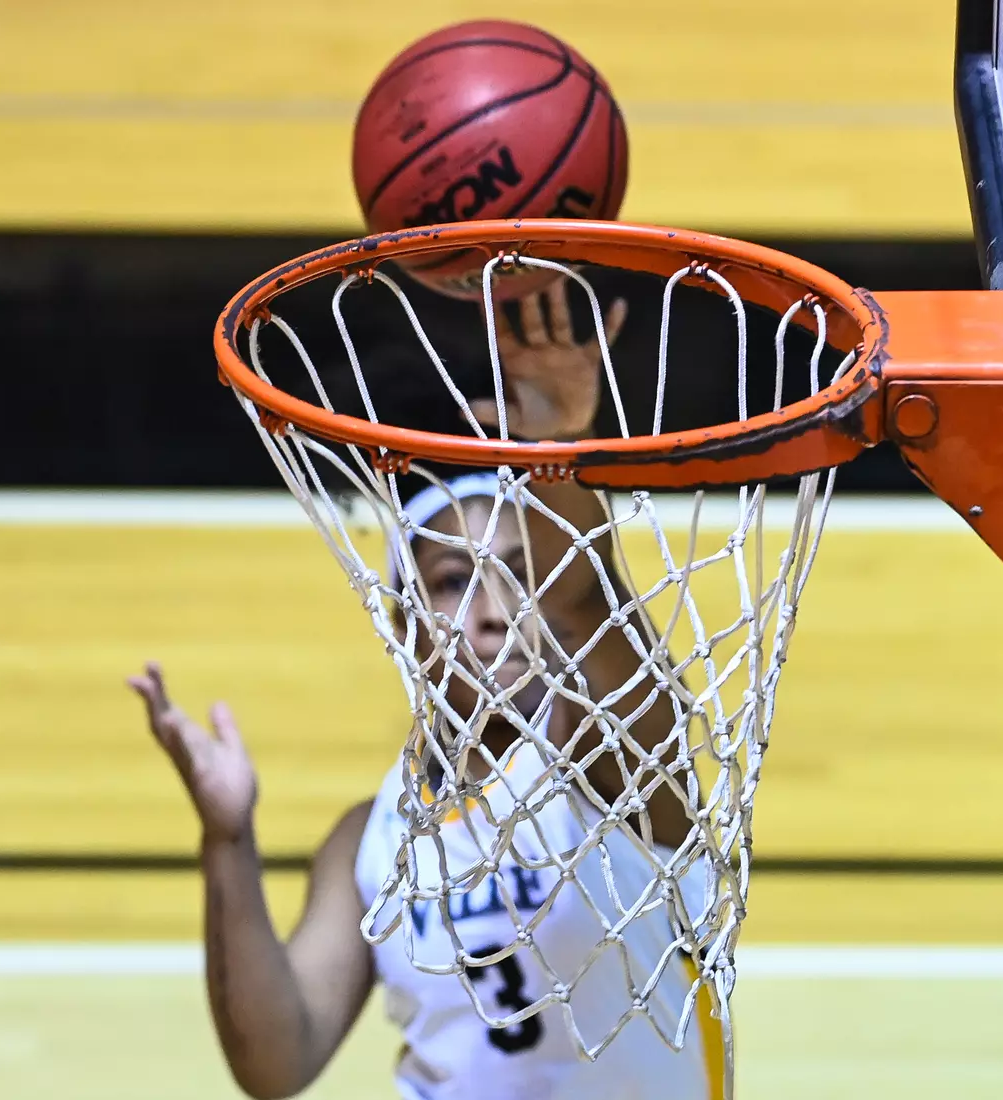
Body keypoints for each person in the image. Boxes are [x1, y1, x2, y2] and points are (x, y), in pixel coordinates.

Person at [129, 282, 724, 1100]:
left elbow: (585, 596)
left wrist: (558, 452)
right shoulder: (371, 841)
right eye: (453, 580)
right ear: (403, 623)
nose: (494, 610)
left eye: (519, 572)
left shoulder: (615, 767)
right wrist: (227, 842)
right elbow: (279, 1058)